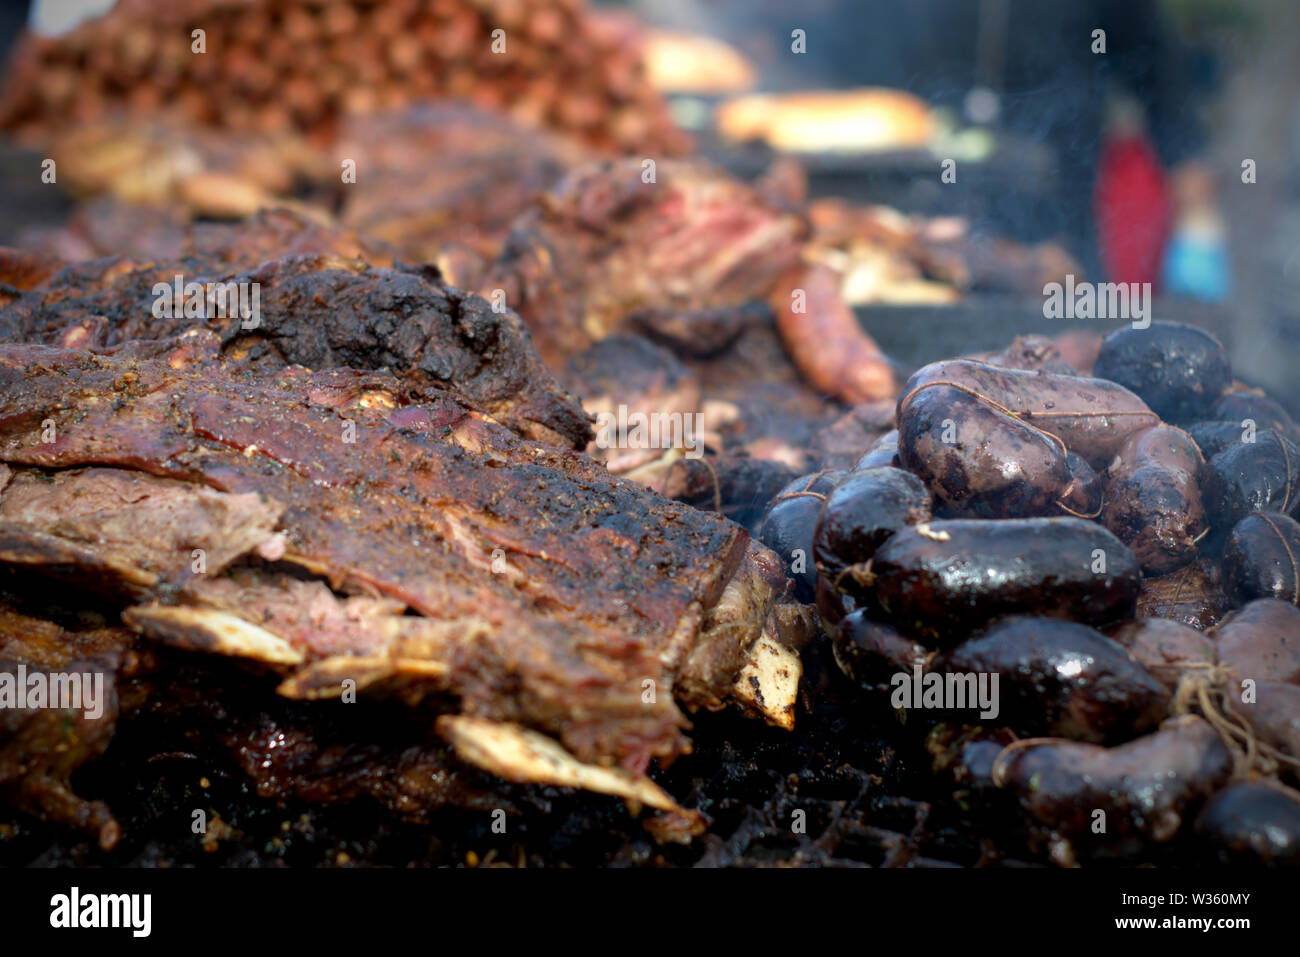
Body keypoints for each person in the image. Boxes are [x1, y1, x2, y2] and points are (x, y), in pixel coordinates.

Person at [626, 0, 1230, 299]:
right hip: (891, 241)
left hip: (1051, 252)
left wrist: (1201, 235)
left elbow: (1169, 101)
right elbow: (812, 41)